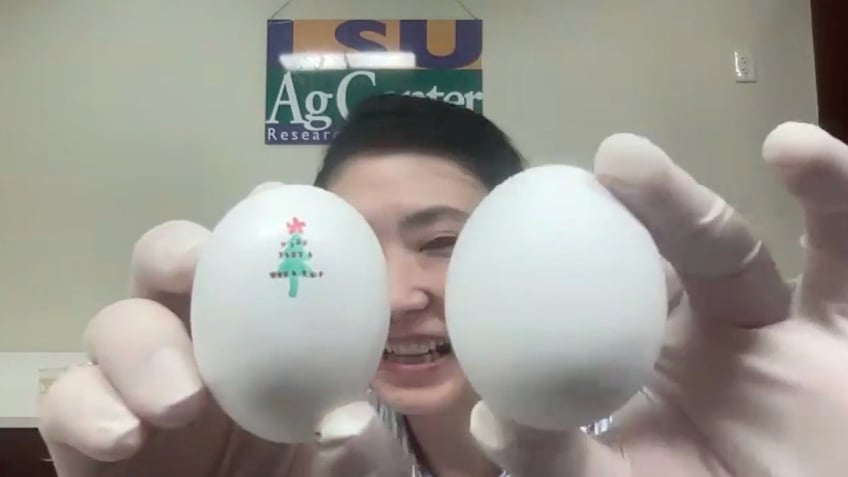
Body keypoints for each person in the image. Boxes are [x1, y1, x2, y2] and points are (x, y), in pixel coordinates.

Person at [38, 94, 848, 477]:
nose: (396, 295)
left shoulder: (663, 437)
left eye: (443, 243)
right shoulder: (298, 455)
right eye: (354, 250)